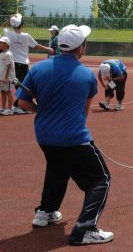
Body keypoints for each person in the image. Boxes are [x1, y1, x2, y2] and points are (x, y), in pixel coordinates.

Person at [18, 24, 113, 245]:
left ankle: (46, 212)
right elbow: (84, 112)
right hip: (74, 138)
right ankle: (85, 229)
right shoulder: (86, 75)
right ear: (81, 48)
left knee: (57, 170)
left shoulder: (38, 69)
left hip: (44, 136)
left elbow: (23, 102)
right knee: (101, 180)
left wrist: (40, 110)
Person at [2, 14, 54, 113]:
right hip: (23, 63)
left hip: (12, 63)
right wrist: (49, 49)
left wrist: (10, 19)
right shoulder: (26, 36)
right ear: (22, 25)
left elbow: (3, 26)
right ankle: (21, 105)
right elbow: (36, 46)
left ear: (13, 25)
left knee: (14, 84)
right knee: (24, 85)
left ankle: (16, 105)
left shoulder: (8, 34)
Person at [0, 37, 15, 115]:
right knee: (2, 92)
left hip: (8, 78)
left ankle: (10, 109)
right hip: (2, 77)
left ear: (6, 44)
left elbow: (9, 66)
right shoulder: (2, 54)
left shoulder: (8, 54)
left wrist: (6, 77)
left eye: (1, 43)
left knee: (8, 92)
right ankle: (2, 108)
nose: (0, 44)